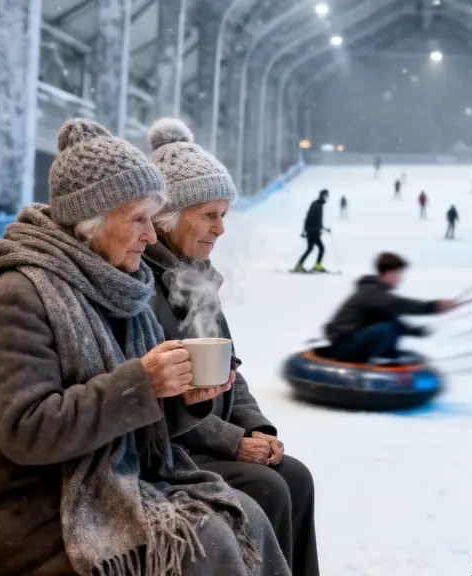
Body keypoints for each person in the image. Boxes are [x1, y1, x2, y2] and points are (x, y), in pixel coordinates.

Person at [0, 118, 287, 576]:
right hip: (18, 509)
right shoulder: (18, 297)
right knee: (203, 541)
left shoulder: (111, 287)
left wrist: (184, 401)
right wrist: (142, 384)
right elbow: (27, 431)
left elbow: (135, 416)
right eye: (139, 220)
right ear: (92, 222)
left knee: (242, 515)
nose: (150, 236)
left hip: (100, 481)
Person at [144, 118, 320, 576]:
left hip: (210, 440)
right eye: (208, 214)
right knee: (269, 488)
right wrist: (234, 442)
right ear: (167, 215)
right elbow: (158, 398)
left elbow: (228, 371)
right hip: (171, 448)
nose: (220, 229)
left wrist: (255, 426)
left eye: (224, 215)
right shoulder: (139, 286)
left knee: (296, 477)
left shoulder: (197, 280)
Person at [323, 252, 457, 364]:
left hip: (355, 339)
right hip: (344, 346)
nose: (400, 278)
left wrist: (416, 331)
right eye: (398, 273)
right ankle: (375, 361)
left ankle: (385, 355)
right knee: (385, 328)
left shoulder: (379, 293)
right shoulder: (371, 292)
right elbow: (402, 304)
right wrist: (435, 306)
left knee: (389, 324)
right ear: (388, 273)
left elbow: (394, 320)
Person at [294, 189, 330, 272]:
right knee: (320, 248)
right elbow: (308, 217)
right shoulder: (315, 205)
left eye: (327, 196)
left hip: (315, 231)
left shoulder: (320, 205)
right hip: (312, 231)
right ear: (321, 196)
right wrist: (305, 230)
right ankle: (314, 266)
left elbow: (318, 220)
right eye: (325, 196)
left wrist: (323, 228)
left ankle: (300, 265)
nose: (326, 198)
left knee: (311, 248)